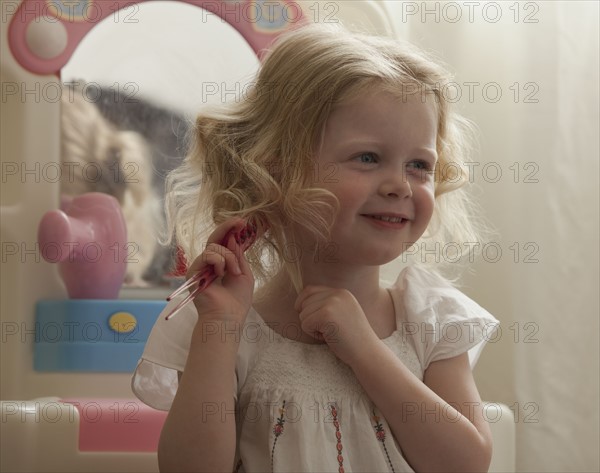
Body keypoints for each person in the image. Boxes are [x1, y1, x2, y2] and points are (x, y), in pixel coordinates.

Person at [132, 22, 500, 473]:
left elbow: (464, 465)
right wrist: (219, 329)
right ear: (277, 170)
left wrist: (365, 349)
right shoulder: (225, 323)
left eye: (419, 165)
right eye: (368, 157)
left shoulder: (431, 320)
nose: (399, 185)